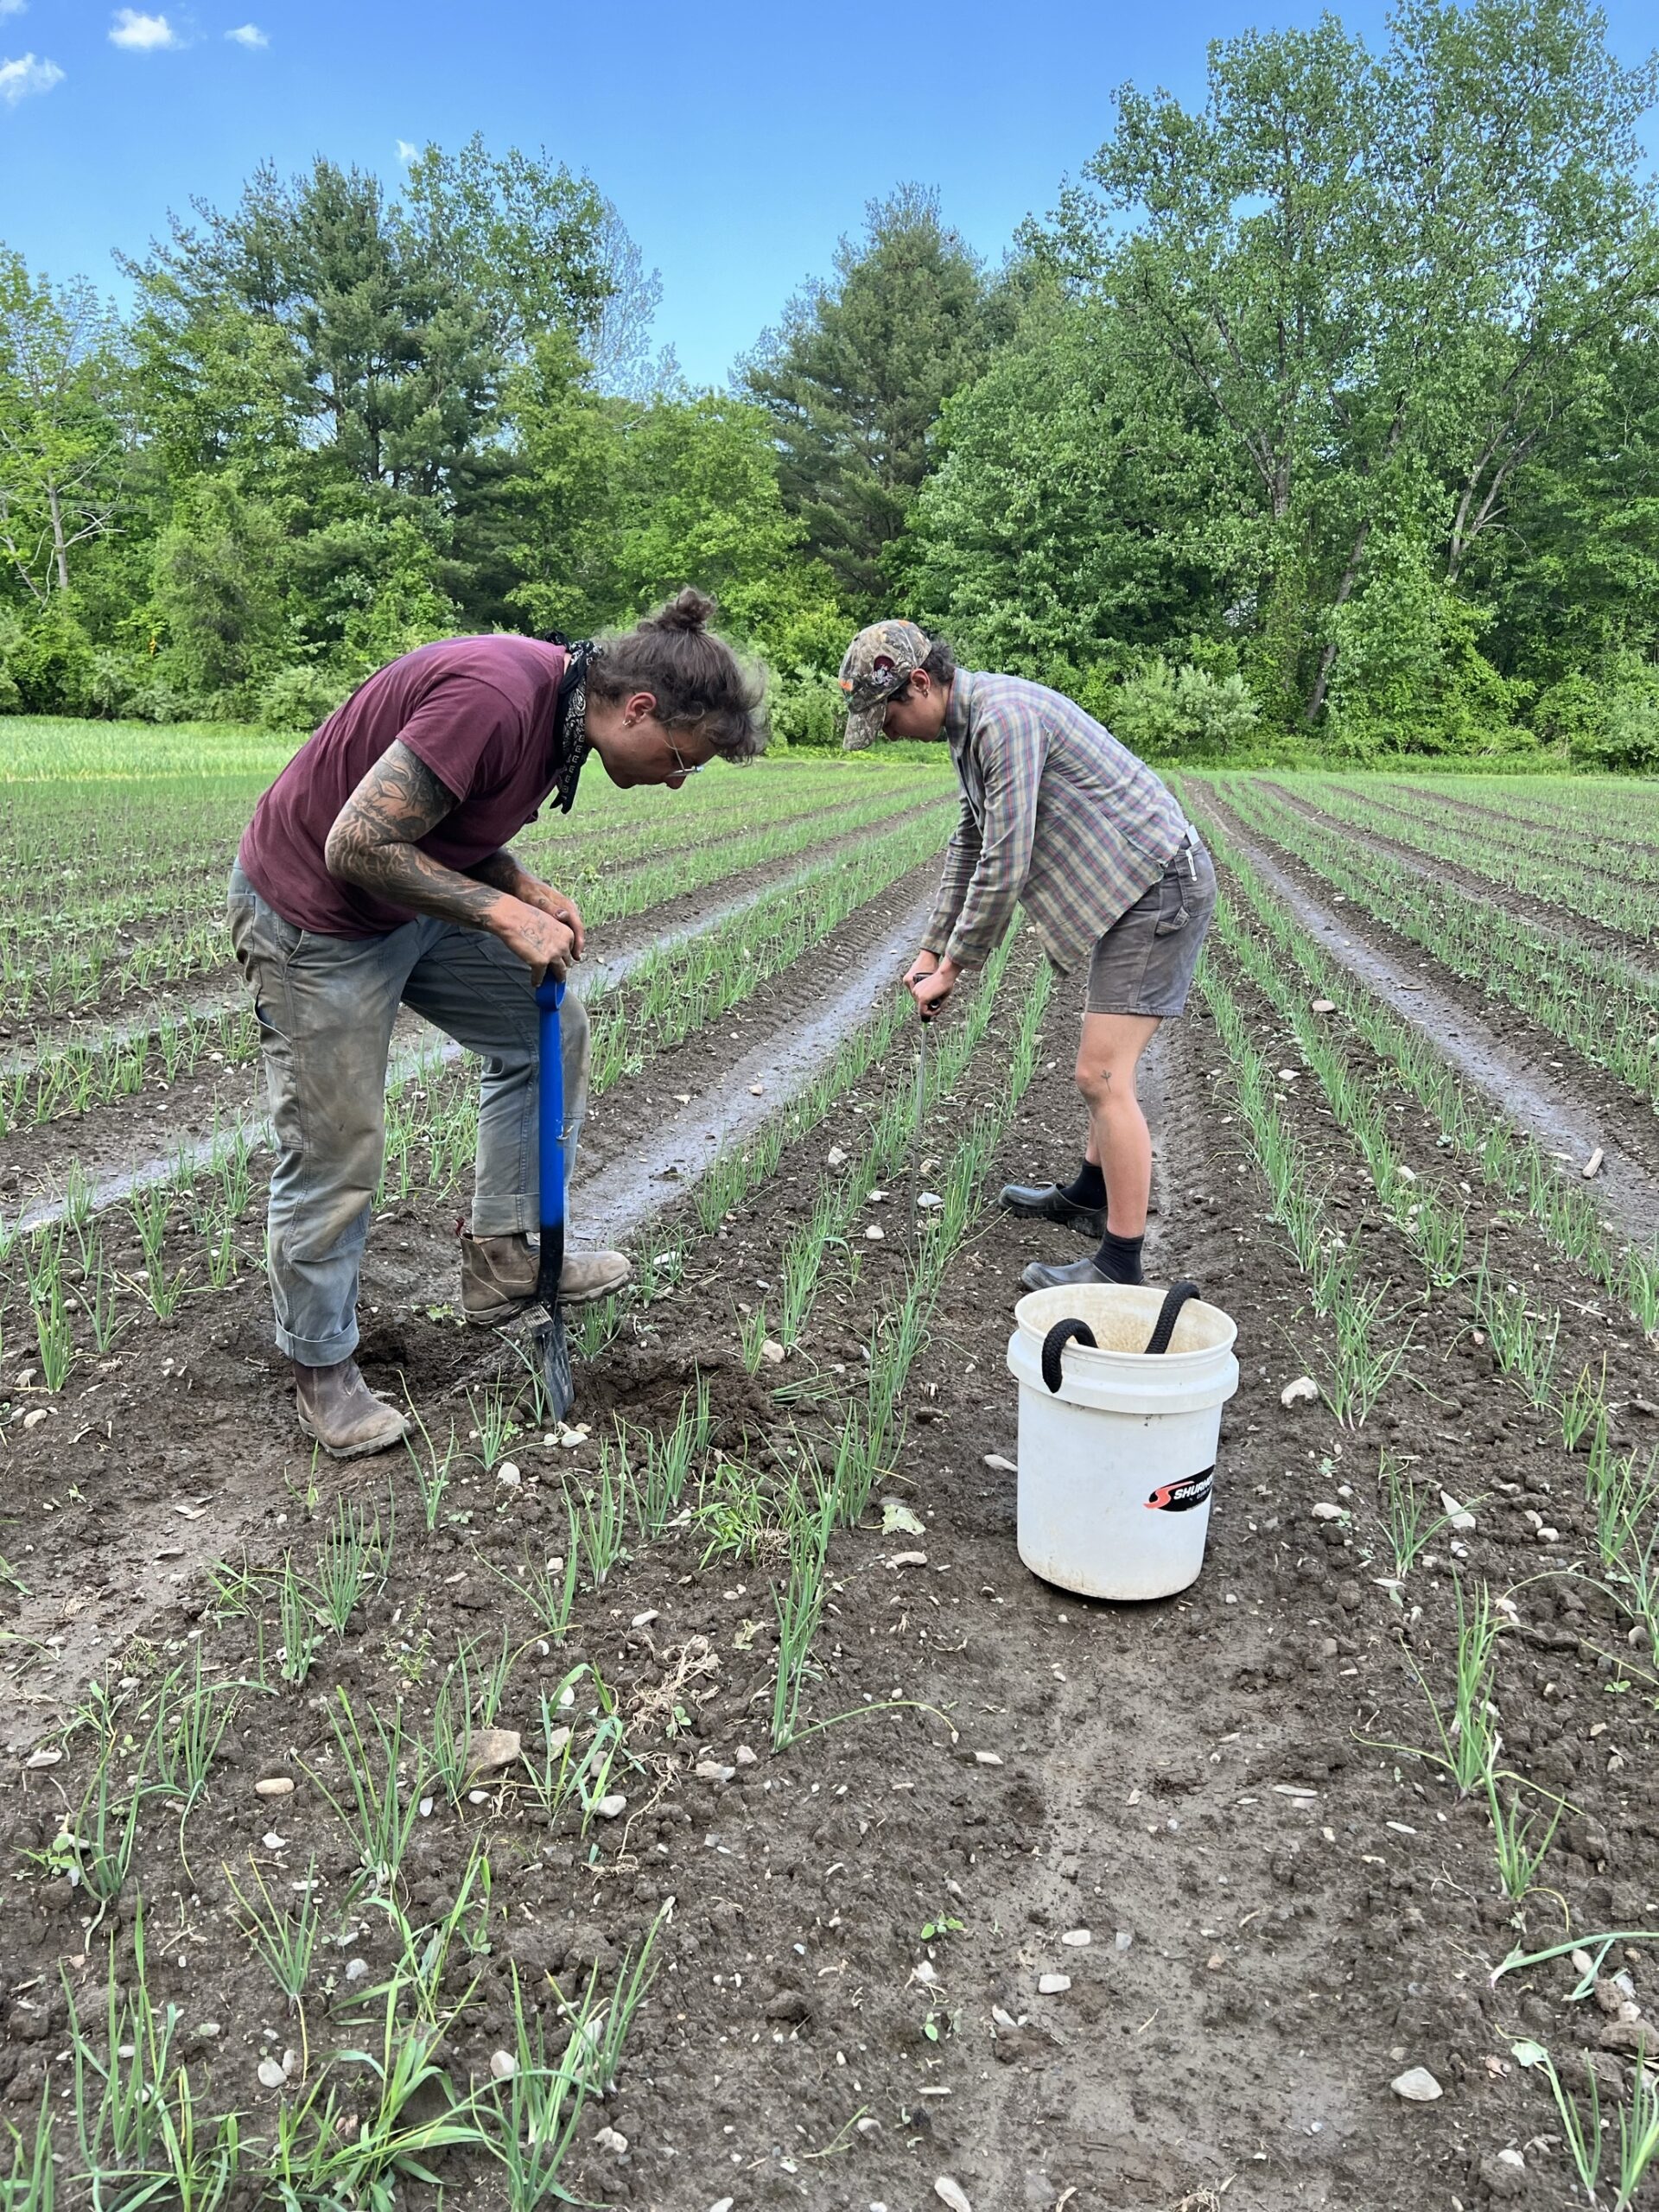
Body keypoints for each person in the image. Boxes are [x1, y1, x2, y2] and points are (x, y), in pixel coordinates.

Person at [230, 589, 766, 1459]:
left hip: (396, 903)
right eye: (679, 758)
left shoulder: (559, 722)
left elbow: (450, 816)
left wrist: (516, 881)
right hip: (314, 915)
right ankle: (322, 1364)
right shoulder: (494, 694)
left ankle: (501, 1257)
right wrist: (498, 915)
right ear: (638, 707)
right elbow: (355, 843)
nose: (676, 779)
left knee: (545, 1027)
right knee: (338, 1142)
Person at [839, 620, 1215, 1293]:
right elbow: (970, 842)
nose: (887, 732)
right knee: (1101, 1069)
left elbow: (1005, 862)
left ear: (919, 683)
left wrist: (956, 966)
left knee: (1102, 1076)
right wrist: (931, 946)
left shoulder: (1003, 721)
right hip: (1136, 891)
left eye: (887, 715)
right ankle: (1088, 1197)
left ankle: (1121, 1265)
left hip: (1160, 886)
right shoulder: (970, 727)